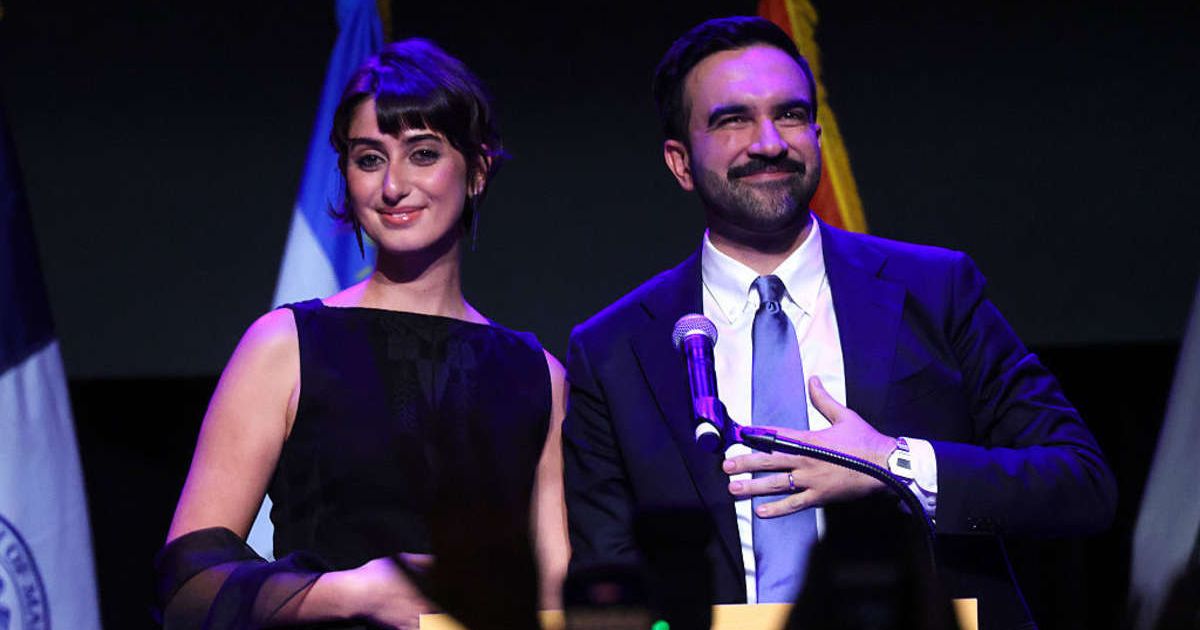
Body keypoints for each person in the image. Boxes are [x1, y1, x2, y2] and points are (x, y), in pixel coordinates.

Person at [561, 15, 1116, 628]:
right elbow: (612, 580)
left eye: (791, 114)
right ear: (680, 162)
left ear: (817, 134)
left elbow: (1080, 482)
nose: (769, 142)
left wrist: (894, 465)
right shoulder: (613, 349)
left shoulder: (936, 290)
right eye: (732, 119)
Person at [156, 39, 569, 629]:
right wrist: (352, 592)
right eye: (370, 159)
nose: (393, 186)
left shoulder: (540, 375)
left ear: (477, 171)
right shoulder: (287, 345)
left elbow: (555, 589)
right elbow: (188, 580)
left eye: (422, 154)